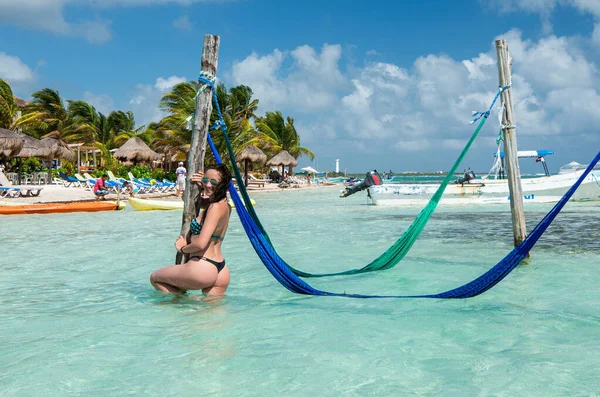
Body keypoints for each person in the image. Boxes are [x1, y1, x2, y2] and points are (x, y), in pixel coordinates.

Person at [150, 164, 233, 296]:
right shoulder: (225, 206)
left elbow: (201, 243)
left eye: (214, 182)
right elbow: (196, 202)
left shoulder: (214, 208)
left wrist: (182, 248)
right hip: (221, 269)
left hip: (202, 266)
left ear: (222, 184)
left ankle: (181, 308)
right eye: (206, 180)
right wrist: (203, 184)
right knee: (212, 316)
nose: (208, 185)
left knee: (155, 278)